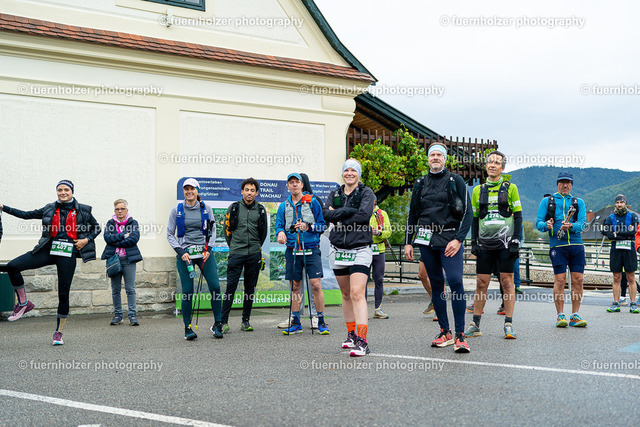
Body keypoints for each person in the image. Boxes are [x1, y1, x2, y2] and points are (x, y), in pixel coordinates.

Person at [1, 180, 100, 345]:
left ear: (72, 192)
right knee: (12, 266)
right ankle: (23, 303)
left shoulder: (83, 210)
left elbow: (97, 228)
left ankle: (58, 333)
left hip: (67, 253)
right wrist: (3, 207)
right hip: (48, 250)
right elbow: (26, 215)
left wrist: (85, 240)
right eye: (60, 190)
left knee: (63, 294)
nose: (63, 192)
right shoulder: (49, 208)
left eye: (66, 190)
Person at [405, 143, 472, 353]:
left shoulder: (455, 180)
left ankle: (460, 335)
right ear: (428, 159)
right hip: (426, 239)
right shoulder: (420, 183)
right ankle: (445, 331)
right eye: (432, 155)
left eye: (439, 155)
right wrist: (408, 241)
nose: (435, 157)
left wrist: (458, 240)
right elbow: (412, 214)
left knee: (455, 281)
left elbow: (468, 213)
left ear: (445, 159)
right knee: (436, 284)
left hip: (450, 239)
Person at [465, 150, 523, 339]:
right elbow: (475, 218)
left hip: (506, 244)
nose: (492, 165)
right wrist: (473, 241)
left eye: (497, 163)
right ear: (486, 166)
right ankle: (475, 324)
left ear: (502, 167)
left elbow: (518, 216)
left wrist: (516, 240)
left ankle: (508, 324)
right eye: (490, 162)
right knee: (481, 283)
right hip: (485, 244)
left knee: (507, 282)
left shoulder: (510, 188)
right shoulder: (477, 190)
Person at [323, 159, 375, 357]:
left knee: (357, 293)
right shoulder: (334, 194)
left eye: (354, 170)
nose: (350, 173)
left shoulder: (366, 192)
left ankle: (362, 341)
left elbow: (363, 216)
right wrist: (348, 212)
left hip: (360, 248)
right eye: (347, 170)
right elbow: (326, 215)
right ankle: (351, 334)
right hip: (338, 248)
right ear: (343, 173)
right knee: (345, 294)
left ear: (358, 174)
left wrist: (338, 215)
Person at [167, 178, 222, 340]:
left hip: (204, 254)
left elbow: (213, 230)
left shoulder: (206, 209)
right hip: (185, 255)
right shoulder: (176, 210)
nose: (189, 191)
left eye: (192, 189)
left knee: (215, 287)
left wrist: (209, 249)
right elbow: (169, 234)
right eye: (186, 189)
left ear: (197, 191)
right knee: (187, 292)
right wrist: (180, 251)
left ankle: (218, 324)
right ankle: (188, 328)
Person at [275, 173, 329, 334]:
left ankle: (321, 321)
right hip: (292, 250)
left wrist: (309, 227)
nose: (294, 185)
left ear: (302, 185)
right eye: (291, 182)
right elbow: (279, 226)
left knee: (316, 285)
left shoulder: (313, 202)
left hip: (311, 249)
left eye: (297, 182)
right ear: (288, 186)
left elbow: (322, 225)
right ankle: (296, 322)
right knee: (295, 287)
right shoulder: (283, 206)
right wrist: (280, 233)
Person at [535, 171, 587, 327]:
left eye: (568, 183)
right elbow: (538, 223)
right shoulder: (547, 201)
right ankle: (560, 315)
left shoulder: (578, 202)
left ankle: (575, 315)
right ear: (557, 184)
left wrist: (571, 226)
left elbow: (583, 224)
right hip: (558, 246)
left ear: (571, 185)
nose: (565, 185)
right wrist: (547, 225)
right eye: (563, 182)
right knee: (560, 280)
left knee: (578, 280)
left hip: (576, 245)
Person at [221, 177, 267, 333]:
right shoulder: (233, 208)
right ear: (242, 191)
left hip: (254, 254)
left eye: (252, 190)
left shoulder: (260, 210)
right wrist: (234, 246)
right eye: (247, 190)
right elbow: (227, 230)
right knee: (230, 287)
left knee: (249, 289)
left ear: (256, 193)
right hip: (236, 253)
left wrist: (255, 247)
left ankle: (245, 321)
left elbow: (263, 233)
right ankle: (223, 322)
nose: (249, 193)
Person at [101, 199, 142, 326]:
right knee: (115, 289)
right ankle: (118, 315)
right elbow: (107, 238)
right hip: (114, 259)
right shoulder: (110, 223)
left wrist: (116, 241)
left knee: (130, 289)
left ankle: (132, 315)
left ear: (127, 210)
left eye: (122, 209)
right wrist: (124, 235)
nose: (120, 211)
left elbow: (134, 239)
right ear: (114, 211)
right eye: (117, 209)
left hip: (128, 260)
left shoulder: (133, 223)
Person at [602, 195, 638, 313]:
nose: (619, 204)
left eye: (621, 202)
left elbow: (633, 232)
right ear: (615, 204)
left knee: (631, 277)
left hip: (629, 250)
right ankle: (616, 303)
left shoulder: (633, 216)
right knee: (616, 277)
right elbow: (609, 235)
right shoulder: (610, 218)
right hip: (616, 250)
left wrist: (616, 233)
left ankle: (633, 304)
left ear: (625, 203)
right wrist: (624, 234)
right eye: (617, 202)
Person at [369, 197, 392, 319]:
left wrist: (378, 233)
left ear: (374, 202)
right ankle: (361, 310)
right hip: (364, 249)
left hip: (379, 249)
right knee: (362, 281)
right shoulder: (362, 213)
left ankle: (378, 309)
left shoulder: (382, 214)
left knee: (379, 279)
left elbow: (388, 232)